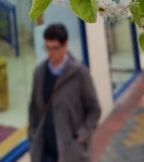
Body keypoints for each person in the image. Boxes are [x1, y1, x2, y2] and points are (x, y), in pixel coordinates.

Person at [28, 23, 101, 162]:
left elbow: (94, 110)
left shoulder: (80, 74)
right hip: (44, 151)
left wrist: (81, 136)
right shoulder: (40, 72)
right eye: (47, 48)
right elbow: (33, 108)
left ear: (65, 46)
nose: (50, 53)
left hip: (71, 152)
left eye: (54, 48)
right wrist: (33, 134)